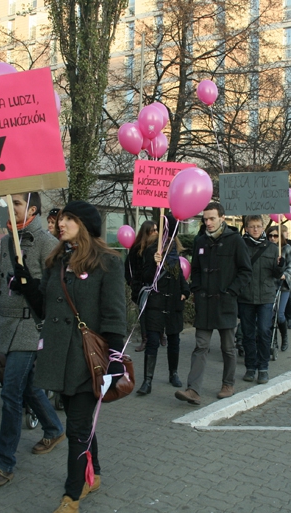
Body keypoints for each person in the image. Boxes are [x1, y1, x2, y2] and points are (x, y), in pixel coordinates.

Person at [20, 201, 127, 513]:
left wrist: (116, 357)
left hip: (87, 360)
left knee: (77, 428)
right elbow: (44, 308)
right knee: (81, 424)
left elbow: (114, 314)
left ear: (85, 224)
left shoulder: (108, 262)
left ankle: (71, 496)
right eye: (60, 218)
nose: (61, 223)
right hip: (58, 357)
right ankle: (94, 475)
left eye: (68, 218)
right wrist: (25, 284)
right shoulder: (57, 260)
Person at [0, 193, 65, 487]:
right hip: (6, 326)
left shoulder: (47, 243)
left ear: (32, 209)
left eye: (17, 203)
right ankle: (54, 429)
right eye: (9, 202)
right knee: (29, 386)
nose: (11, 207)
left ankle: (3, 463)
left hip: (30, 327)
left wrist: (29, 283)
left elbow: (55, 291)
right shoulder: (7, 240)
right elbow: (2, 285)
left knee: (10, 393)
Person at [175, 202, 251, 405]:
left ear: (222, 218)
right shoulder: (200, 241)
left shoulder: (235, 240)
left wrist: (232, 291)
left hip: (226, 303)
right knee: (201, 346)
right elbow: (196, 269)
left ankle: (228, 384)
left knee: (228, 347)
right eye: (205, 219)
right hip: (205, 303)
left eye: (212, 219)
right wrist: (197, 289)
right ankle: (193, 390)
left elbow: (245, 271)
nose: (208, 222)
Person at [137, 214, 190, 394]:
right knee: (152, 340)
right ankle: (147, 381)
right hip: (156, 302)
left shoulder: (175, 251)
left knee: (174, 340)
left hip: (173, 302)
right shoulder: (151, 250)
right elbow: (145, 277)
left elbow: (179, 274)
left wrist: (185, 291)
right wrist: (154, 263)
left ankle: (173, 373)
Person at [236, 216, 282, 385]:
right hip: (246, 295)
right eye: (252, 226)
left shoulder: (272, 248)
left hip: (266, 296)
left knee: (263, 331)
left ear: (263, 228)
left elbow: (276, 275)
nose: (255, 229)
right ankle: (250, 367)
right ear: (246, 228)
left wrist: (280, 266)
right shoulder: (240, 246)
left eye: (258, 226)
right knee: (248, 333)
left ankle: (263, 368)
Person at [124, 220, 158, 352]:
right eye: (153, 230)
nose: (156, 233)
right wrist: (131, 281)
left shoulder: (157, 247)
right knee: (143, 313)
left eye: (156, 230)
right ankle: (145, 339)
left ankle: (159, 334)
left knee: (154, 312)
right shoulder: (136, 249)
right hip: (140, 286)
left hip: (154, 285)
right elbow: (128, 266)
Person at [266, 224, 291, 352]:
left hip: (282, 286)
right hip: (269, 285)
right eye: (270, 236)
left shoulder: (287, 248)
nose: (273, 238)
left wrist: (285, 275)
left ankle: (284, 337)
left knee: (280, 314)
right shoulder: (266, 248)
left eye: (275, 236)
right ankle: (273, 340)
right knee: (270, 314)